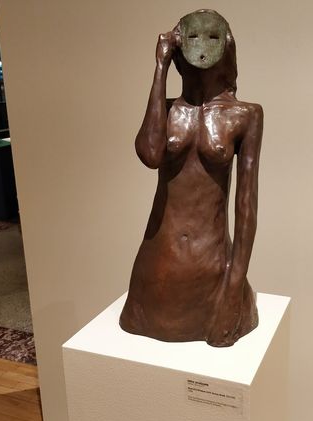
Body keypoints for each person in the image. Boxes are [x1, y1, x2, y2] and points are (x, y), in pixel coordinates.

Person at [120, 10, 263, 347]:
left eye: (212, 38)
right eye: (193, 38)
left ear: (225, 47)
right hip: (159, 262)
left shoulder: (245, 115)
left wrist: (234, 287)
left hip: (212, 266)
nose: (201, 47)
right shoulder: (166, 110)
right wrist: (160, 66)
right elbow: (150, 155)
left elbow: (247, 208)